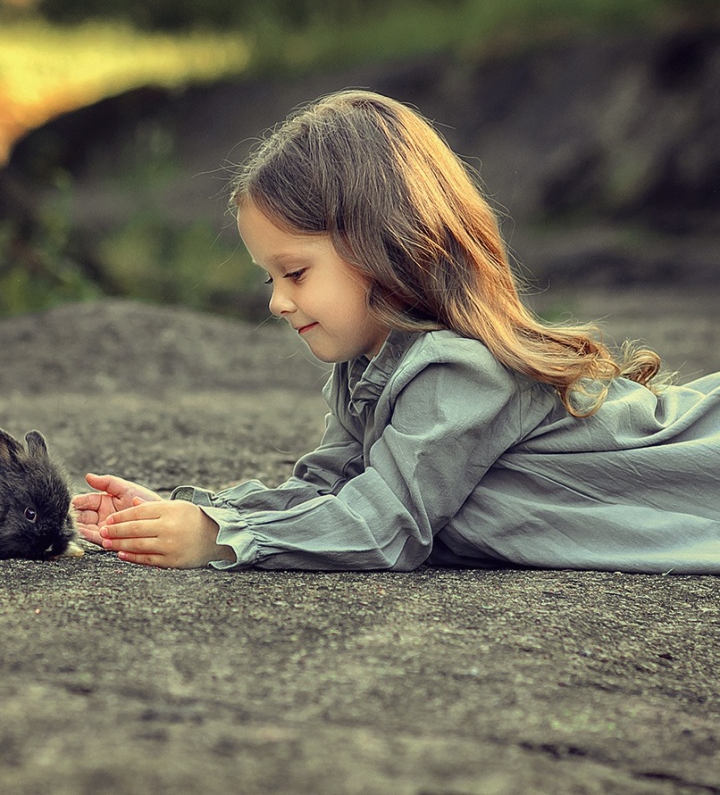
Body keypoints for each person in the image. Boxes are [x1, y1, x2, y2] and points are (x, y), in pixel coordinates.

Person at [73, 89, 720, 573]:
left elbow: (385, 526)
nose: (277, 301)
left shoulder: (455, 371)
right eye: (269, 278)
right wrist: (182, 519)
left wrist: (219, 542)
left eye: (295, 272)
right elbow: (326, 493)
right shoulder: (366, 369)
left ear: (381, 244)